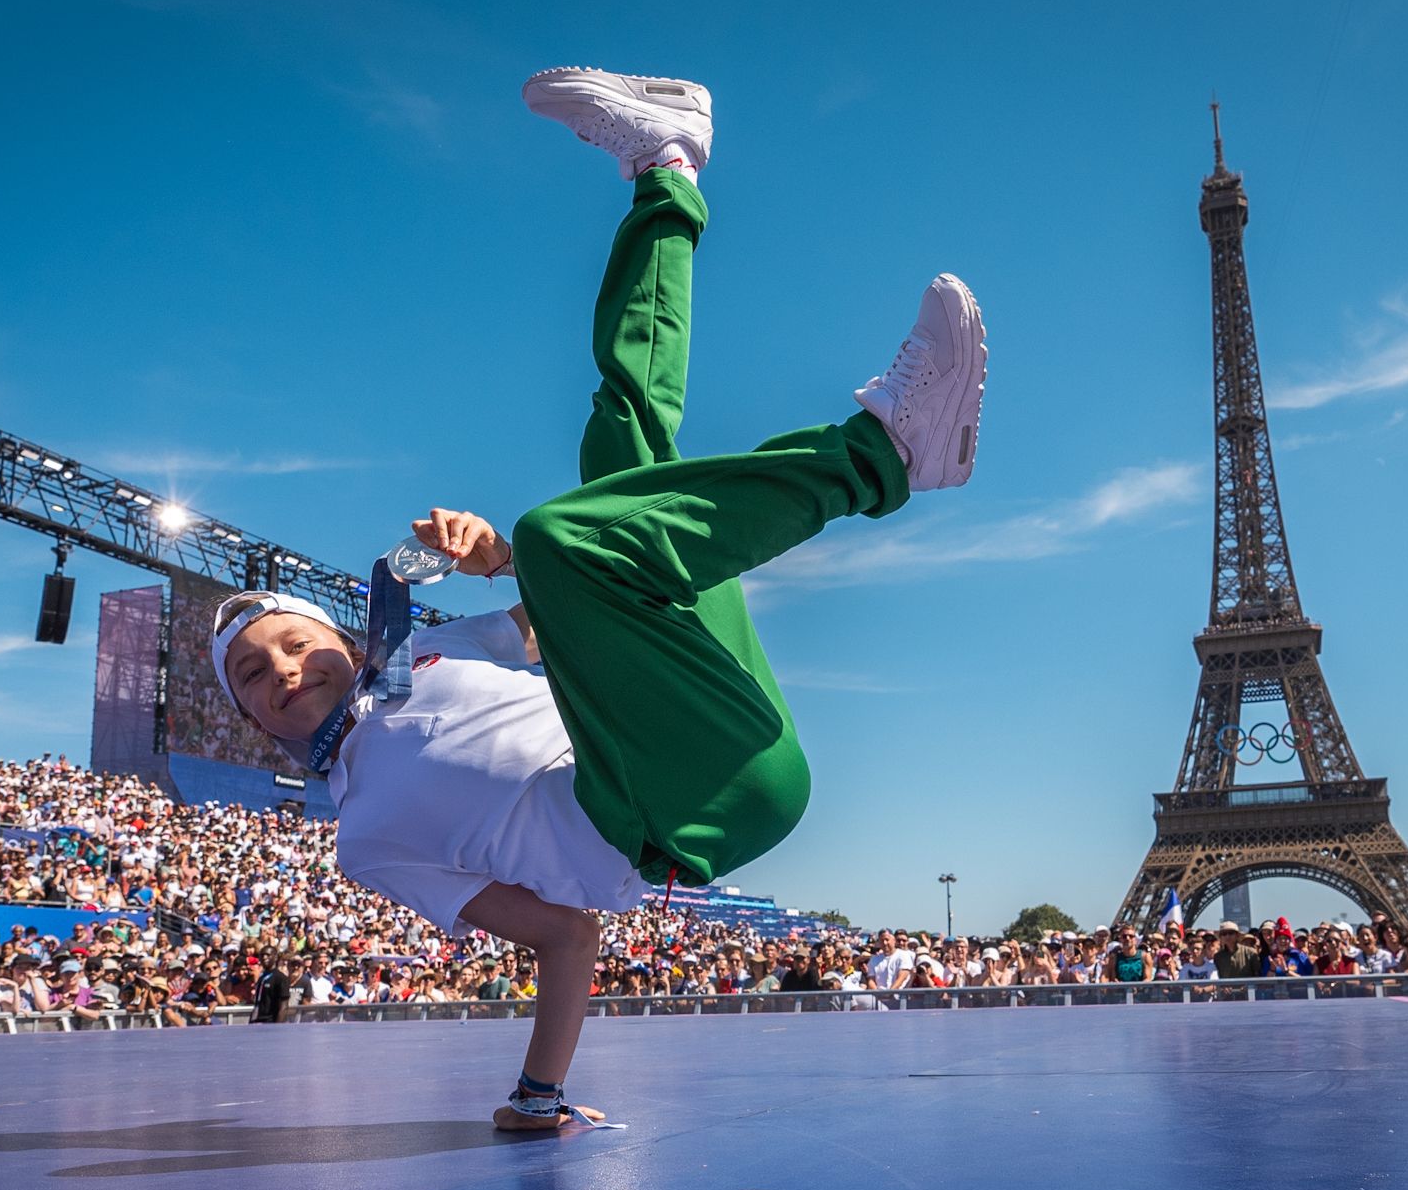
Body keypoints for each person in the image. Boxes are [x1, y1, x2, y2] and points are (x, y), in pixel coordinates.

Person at [207, 68, 989, 1129]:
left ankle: (663, 171)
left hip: (699, 710)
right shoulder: (365, 839)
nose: (281, 672)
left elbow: (569, 600)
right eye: (254, 676)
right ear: (252, 721)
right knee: (559, 533)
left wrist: (494, 565)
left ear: (343, 639)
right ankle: (883, 452)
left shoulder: (457, 650)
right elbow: (565, 931)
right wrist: (539, 1093)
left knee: (615, 448)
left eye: (290, 645)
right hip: (667, 808)